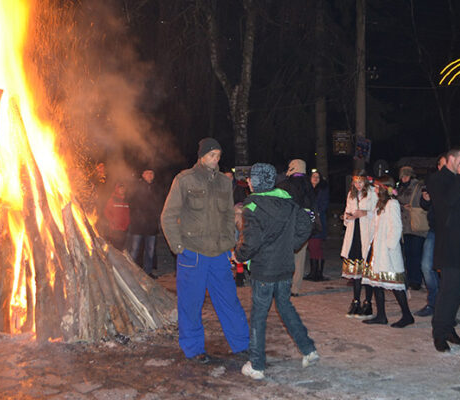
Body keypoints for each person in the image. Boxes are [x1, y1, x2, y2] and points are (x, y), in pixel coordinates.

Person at [160, 138, 249, 362]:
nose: (215, 159)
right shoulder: (184, 179)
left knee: (229, 300)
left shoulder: (223, 182)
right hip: (193, 252)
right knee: (190, 303)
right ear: (201, 156)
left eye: (218, 155)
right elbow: (168, 215)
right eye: (211, 155)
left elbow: (229, 215)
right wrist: (178, 246)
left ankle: (242, 344)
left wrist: (230, 243)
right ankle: (194, 349)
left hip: (218, 253)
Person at [235, 163, 319, 380]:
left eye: (252, 179)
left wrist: (239, 255)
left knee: (258, 317)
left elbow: (250, 241)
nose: (249, 183)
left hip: (263, 270)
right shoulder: (289, 202)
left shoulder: (252, 207)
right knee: (286, 307)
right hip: (284, 268)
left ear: (258, 182)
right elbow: (306, 225)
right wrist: (290, 246)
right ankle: (309, 350)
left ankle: (257, 365)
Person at [427, 148, 460, 352]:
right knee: (447, 292)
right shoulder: (438, 179)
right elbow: (447, 203)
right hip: (449, 245)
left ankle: (449, 328)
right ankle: (439, 333)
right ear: (451, 160)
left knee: (458, 292)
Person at [362, 177, 414, 328]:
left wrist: (390, 246)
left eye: (378, 188)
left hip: (388, 252)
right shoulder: (380, 204)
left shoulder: (392, 204)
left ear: (385, 188)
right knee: (377, 283)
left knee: (394, 284)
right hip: (378, 250)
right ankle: (381, 315)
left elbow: (396, 227)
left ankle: (407, 315)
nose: (376, 190)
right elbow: (374, 225)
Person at [340, 170, 377, 320]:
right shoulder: (351, 194)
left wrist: (365, 214)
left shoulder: (373, 193)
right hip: (354, 234)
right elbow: (347, 211)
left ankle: (368, 302)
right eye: (355, 182)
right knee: (356, 272)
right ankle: (355, 301)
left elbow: (377, 212)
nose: (358, 185)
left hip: (367, 234)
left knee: (366, 271)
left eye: (360, 182)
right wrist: (348, 216)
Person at [277, 159, 316, 296]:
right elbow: (312, 205)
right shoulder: (309, 186)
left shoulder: (284, 185)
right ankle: (296, 287)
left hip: (288, 225)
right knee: (300, 256)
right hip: (303, 226)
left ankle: (284, 284)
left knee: (285, 255)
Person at [415, 153, 446, 317]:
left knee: (447, 270)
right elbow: (426, 205)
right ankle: (433, 302)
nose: (441, 168)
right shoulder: (434, 180)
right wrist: (426, 199)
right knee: (426, 266)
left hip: (450, 232)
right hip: (434, 229)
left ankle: (443, 303)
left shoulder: (456, 181)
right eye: (440, 165)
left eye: (444, 164)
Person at [396, 166, 427, 290]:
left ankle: (416, 280)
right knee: (408, 253)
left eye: (406, 176)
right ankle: (410, 278)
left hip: (416, 225)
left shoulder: (418, 187)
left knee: (416, 253)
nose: (404, 178)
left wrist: (410, 206)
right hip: (405, 226)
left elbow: (423, 201)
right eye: (402, 176)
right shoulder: (400, 188)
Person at [129, 170, 163, 277]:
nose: (150, 175)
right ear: (143, 175)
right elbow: (131, 203)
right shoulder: (136, 187)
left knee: (150, 250)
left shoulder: (156, 188)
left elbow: (159, 203)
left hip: (151, 224)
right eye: (147, 173)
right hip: (138, 224)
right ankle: (132, 272)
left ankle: (148, 272)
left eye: (152, 173)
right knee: (135, 249)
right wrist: (136, 215)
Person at [306, 170, 330, 281]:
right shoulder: (307, 190)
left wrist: (315, 212)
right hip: (309, 221)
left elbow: (324, 205)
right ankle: (313, 271)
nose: (315, 179)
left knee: (316, 246)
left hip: (318, 221)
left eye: (317, 177)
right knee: (312, 246)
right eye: (313, 176)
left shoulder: (322, 190)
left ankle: (318, 272)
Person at [103, 182, 131, 251]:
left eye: (123, 188)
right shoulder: (113, 199)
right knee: (115, 248)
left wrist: (128, 223)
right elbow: (106, 211)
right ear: (116, 189)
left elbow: (129, 213)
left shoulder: (127, 200)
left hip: (124, 229)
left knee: (122, 248)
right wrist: (113, 221)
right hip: (115, 229)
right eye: (120, 188)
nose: (122, 190)